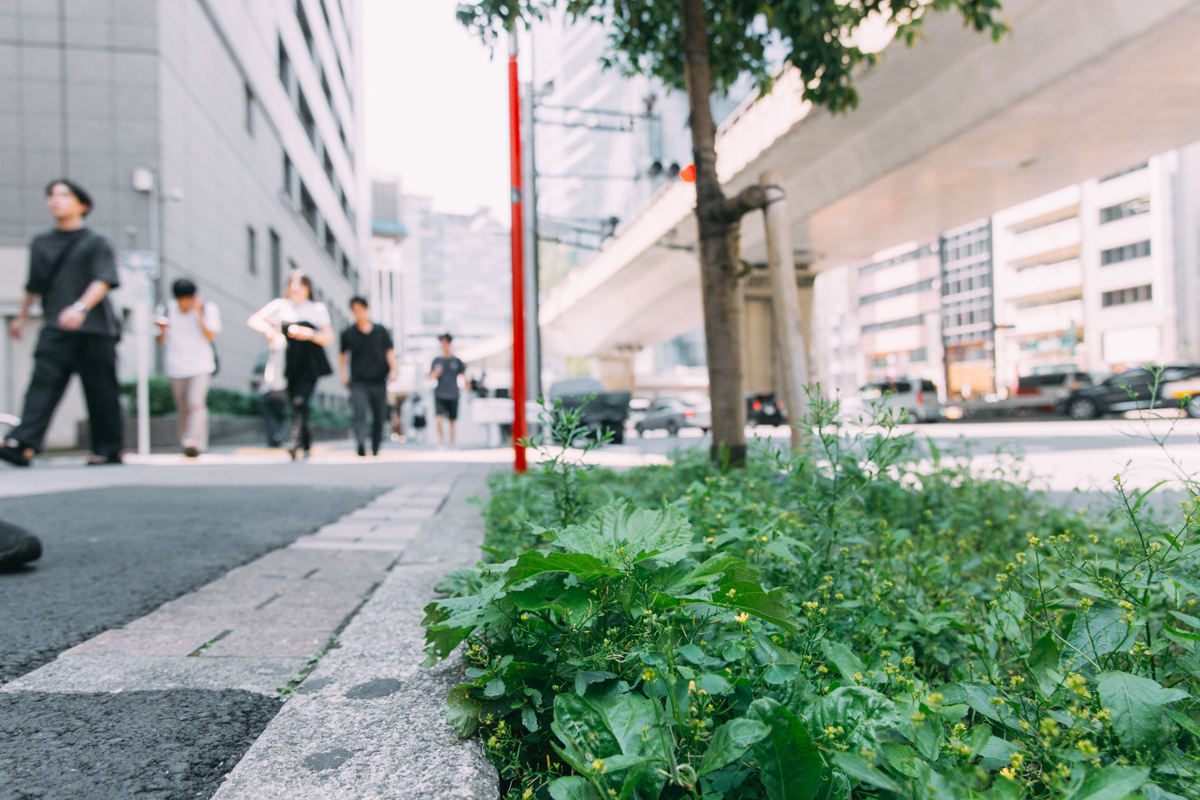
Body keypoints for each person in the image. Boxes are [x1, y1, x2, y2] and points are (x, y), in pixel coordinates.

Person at [0, 179, 124, 467]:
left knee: (101, 390)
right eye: (52, 195)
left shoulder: (96, 241)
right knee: (41, 384)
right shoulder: (42, 242)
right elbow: (34, 284)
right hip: (55, 326)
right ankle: (22, 443)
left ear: (83, 205)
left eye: (64, 195)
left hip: (95, 329)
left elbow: (103, 280)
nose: (55, 200)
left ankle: (108, 448)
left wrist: (80, 307)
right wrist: (21, 316)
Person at [247, 272, 333, 460]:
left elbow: (329, 337)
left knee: (300, 402)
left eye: (300, 284)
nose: (295, 287)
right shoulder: (280, 306)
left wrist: (309, 334)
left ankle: (294, 443)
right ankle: (307, 442)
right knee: (297, 404)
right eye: (292, 283)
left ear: (308, 288)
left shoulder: (316, 308)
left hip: (310, 363)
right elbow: (254, 320)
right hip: (287, 362)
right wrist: (270, 331)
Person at [156, 278, 221, 457]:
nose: (184, 302)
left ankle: (195, 442)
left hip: (201, 364)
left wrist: (199, 313)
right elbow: (160, 341)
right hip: (175, 365)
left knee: (195, 403)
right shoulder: (166, 310)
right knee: (183, 406)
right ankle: (185, 441)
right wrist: (162, 329)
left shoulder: (207, 308)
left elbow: (210, 336)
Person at [338, 296, 397, 456]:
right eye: (354, 311)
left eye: (360, 310)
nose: (358, 314)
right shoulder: (348, 333)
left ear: (366, 310)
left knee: (379, 416)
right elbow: (342, 356)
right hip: (358, 381)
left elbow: (390, 352)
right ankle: (361, 444)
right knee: (359, 412)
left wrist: (393, 370)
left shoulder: (380, 331)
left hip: (379, 380)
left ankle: (376, 446)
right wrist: (342, 375)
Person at [429, 333, 465, 446]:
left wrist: (468, 392)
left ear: (450, 344)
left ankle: (452, 443)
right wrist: (436, 373)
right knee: (438, 419)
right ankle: (442, 442)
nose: (443, 345)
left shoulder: (457, 360)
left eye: (445, 343)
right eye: (442, 343)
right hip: (440, 393)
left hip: (453, 393)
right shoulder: (436, 361)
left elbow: (464, 376)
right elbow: (430, 376)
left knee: (451, 421)